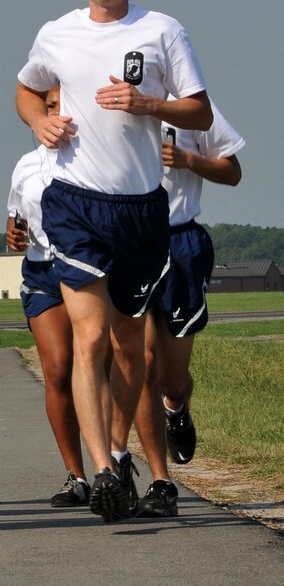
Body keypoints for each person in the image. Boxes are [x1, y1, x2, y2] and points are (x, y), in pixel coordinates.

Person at [16, 0, 213, 522]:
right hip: (76, 202)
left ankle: (120, 452)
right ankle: (102, 470)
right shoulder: (57, 33)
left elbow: (199, 107)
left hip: (141, 209)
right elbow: (27, 89)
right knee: (90, 337)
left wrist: (149, 104)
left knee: (133, 352)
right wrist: (38, 125)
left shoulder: (162, 30)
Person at [134, 99, 244, 517]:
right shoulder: (115, 104)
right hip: (134, 243)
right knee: (141, 363)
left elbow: (233, 172)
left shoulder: (197, 108)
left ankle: (176, 408)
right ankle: (161, 482)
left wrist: (188, 159)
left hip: (181, 241)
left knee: (171, 377)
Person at [6, 85, 91, 508]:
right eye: (49, 107)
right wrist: (13, 233)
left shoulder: (93, 159)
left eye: (63, 106)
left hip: (88, 269)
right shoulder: (26, 165)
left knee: (95, 368)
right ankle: (76, 476)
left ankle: (113, 464)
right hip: (42, 271)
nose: (56, 114)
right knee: (57, 370)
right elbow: (15, 220)